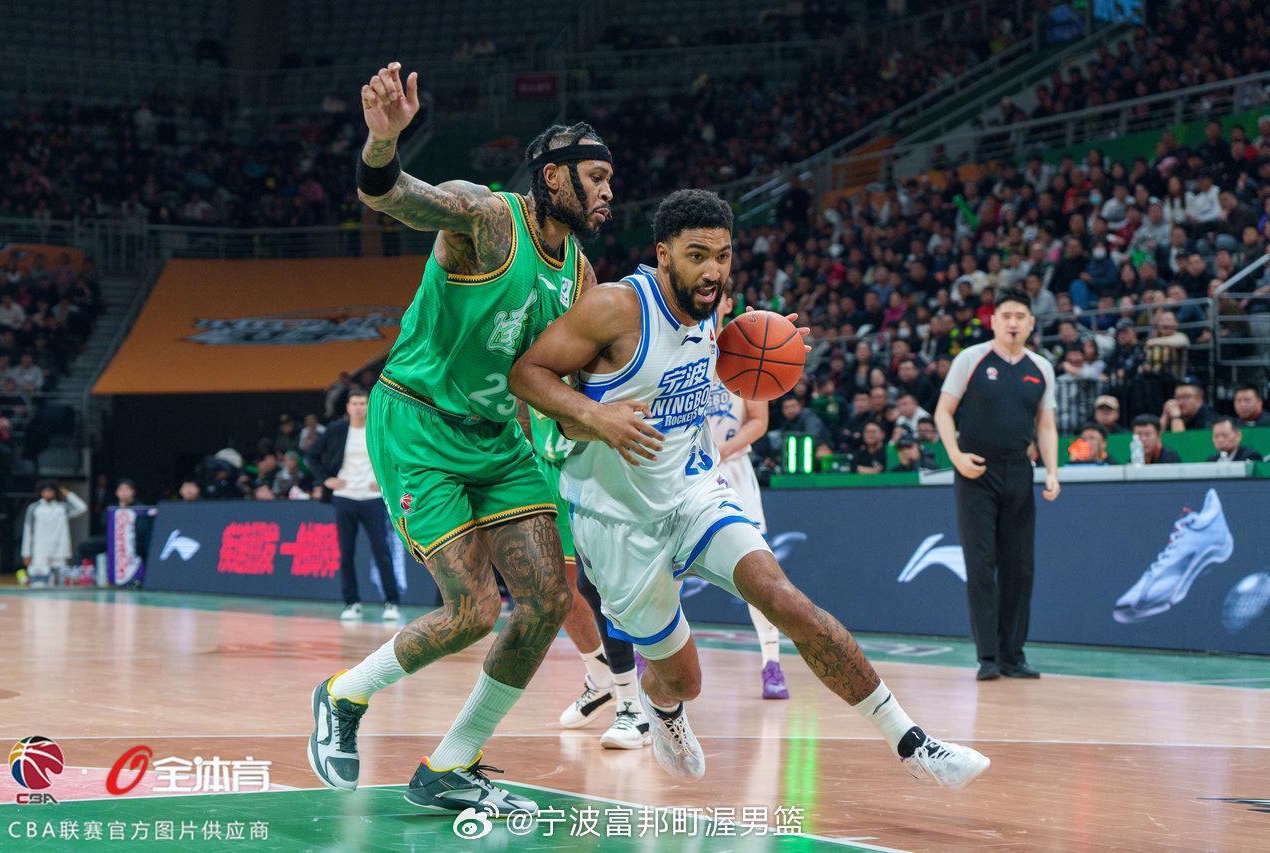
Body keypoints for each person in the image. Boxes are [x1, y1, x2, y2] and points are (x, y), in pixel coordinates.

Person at [511, 189, 988, 788]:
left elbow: (707, 366)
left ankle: (914, 744)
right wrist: (594, 415)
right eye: (697, 255)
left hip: (694, 494)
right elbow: (526, 373)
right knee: (684, 681)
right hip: (618, 520)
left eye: (724, 255)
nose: (713, 269)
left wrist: (767, 347)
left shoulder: (714, 311)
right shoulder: (614, 307)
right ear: (664, 254)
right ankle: (662, 706)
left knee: (785, 599)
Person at [308, 61, 613, 817]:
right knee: (472, 609)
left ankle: (451, 762)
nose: (609, 191)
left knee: (548, 600)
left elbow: (582, 381)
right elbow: (390, 194)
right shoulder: (488, 218)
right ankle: (344, 693)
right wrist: (384, 142)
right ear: (553, 176)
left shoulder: (579, 274)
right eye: (597, 177)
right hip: (418, 424)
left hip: (497, 436)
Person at [934, 288, 1060, 682]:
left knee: (1019, 568)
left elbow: (1046, 425)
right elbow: (943, 412)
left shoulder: (1041, 368)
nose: (1013, 322)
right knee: (980, 564)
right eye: (1006, 315)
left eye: (1020, 316)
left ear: (1032, 323)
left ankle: (1013, 656)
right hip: (976, 470)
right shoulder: (970, 359)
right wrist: (956, 456)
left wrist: (1052, 471)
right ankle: (987, 657)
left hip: (1019, 470)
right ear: (993, 321)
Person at [526, 403, 648, 748]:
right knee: (553, 589)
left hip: (596, 467)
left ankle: (635, 704)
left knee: (602, 588)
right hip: (546, 466)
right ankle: (601, 677)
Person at [706, 282, 789, 700]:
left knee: (757, 571)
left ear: (727, 302)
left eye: (716, 294)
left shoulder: (745, 349)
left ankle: (772, 662)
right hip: (684, 469)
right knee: (668, 568)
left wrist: (723, 451)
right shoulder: (680, 344)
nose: (708, 300)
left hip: (732, 467)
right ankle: (650, 657)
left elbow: (759, 420)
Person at [307, 388, 401, 622]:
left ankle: (392, 603)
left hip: (372, 500)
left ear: (369, 406)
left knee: (382, 550)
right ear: (348, 407)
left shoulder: (379, 428)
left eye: (363, 403)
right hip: (344, 497)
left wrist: (384, 481)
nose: (359, 408)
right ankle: (352, 603)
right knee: (346, 552)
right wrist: (325, 480)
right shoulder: (336, 430)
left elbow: (398, 456)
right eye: (355, 403)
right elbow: (311, 456)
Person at [21, 481, 88, 586]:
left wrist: (68, 494)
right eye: (45, 491)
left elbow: (82, 508)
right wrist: (26, 553)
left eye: (50, 491)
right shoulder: (34, 508)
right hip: (40, 551)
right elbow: (28, 531)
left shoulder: (62, 508)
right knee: (39, 584)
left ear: (55, 492)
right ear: (40, 492)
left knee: (59, 584)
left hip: (59, 551)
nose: (48, 493)